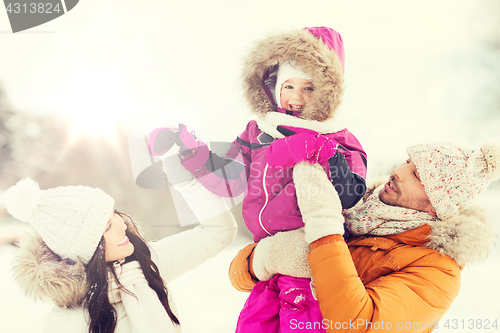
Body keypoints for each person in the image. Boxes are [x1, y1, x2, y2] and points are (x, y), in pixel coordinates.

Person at [148, 27, 367, 332]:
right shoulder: (260, 131)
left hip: (312, 263)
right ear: (274, 85)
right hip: (268, 259)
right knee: (254, 324)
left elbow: (352, 194)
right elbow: (231, 179)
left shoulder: (338, 137)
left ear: (327, 92)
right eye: (289, 86)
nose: (296, 98)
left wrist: (325, 153)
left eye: (309, 88)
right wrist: (193, 155)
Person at [229, 142, 500, 332]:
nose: (398, 171)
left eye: (418, 175)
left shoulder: (438, 272)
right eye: (408, 161)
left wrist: (325, 236)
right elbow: (238, 277)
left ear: (437, 206)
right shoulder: (353, 209)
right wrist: (261, 259)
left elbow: (357, 325)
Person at [6, 153, 238, 333]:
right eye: (107, 226)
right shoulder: (66, 323)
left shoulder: (146, 264)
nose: (121, 225)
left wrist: (188, 181)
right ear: (86, 250)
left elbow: (219, 233)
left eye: (114, 213)